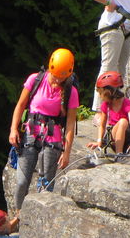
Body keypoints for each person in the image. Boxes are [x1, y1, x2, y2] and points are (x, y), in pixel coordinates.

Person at [9, 48, 79, 210]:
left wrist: (66, 152)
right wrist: (13, 129)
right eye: (55, 77)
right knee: (21, 182)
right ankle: (19, 216)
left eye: (62, 78)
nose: (57, 81)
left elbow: (70, 125)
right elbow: (20, 106)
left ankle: (38, 220)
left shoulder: (71, 91)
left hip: (52, 140)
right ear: (50, 69)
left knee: (45, 187)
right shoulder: (35, 80)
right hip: (30, 135)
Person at [86, 71, 130, 154]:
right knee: (123, 121)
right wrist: (99, 141)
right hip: (113, 136)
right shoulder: (106, 105)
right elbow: (102, 125)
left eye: (100, 93)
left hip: (127, 134)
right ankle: (119, 152)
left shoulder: (126, 103)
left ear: (108, 93)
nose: (99, 96)